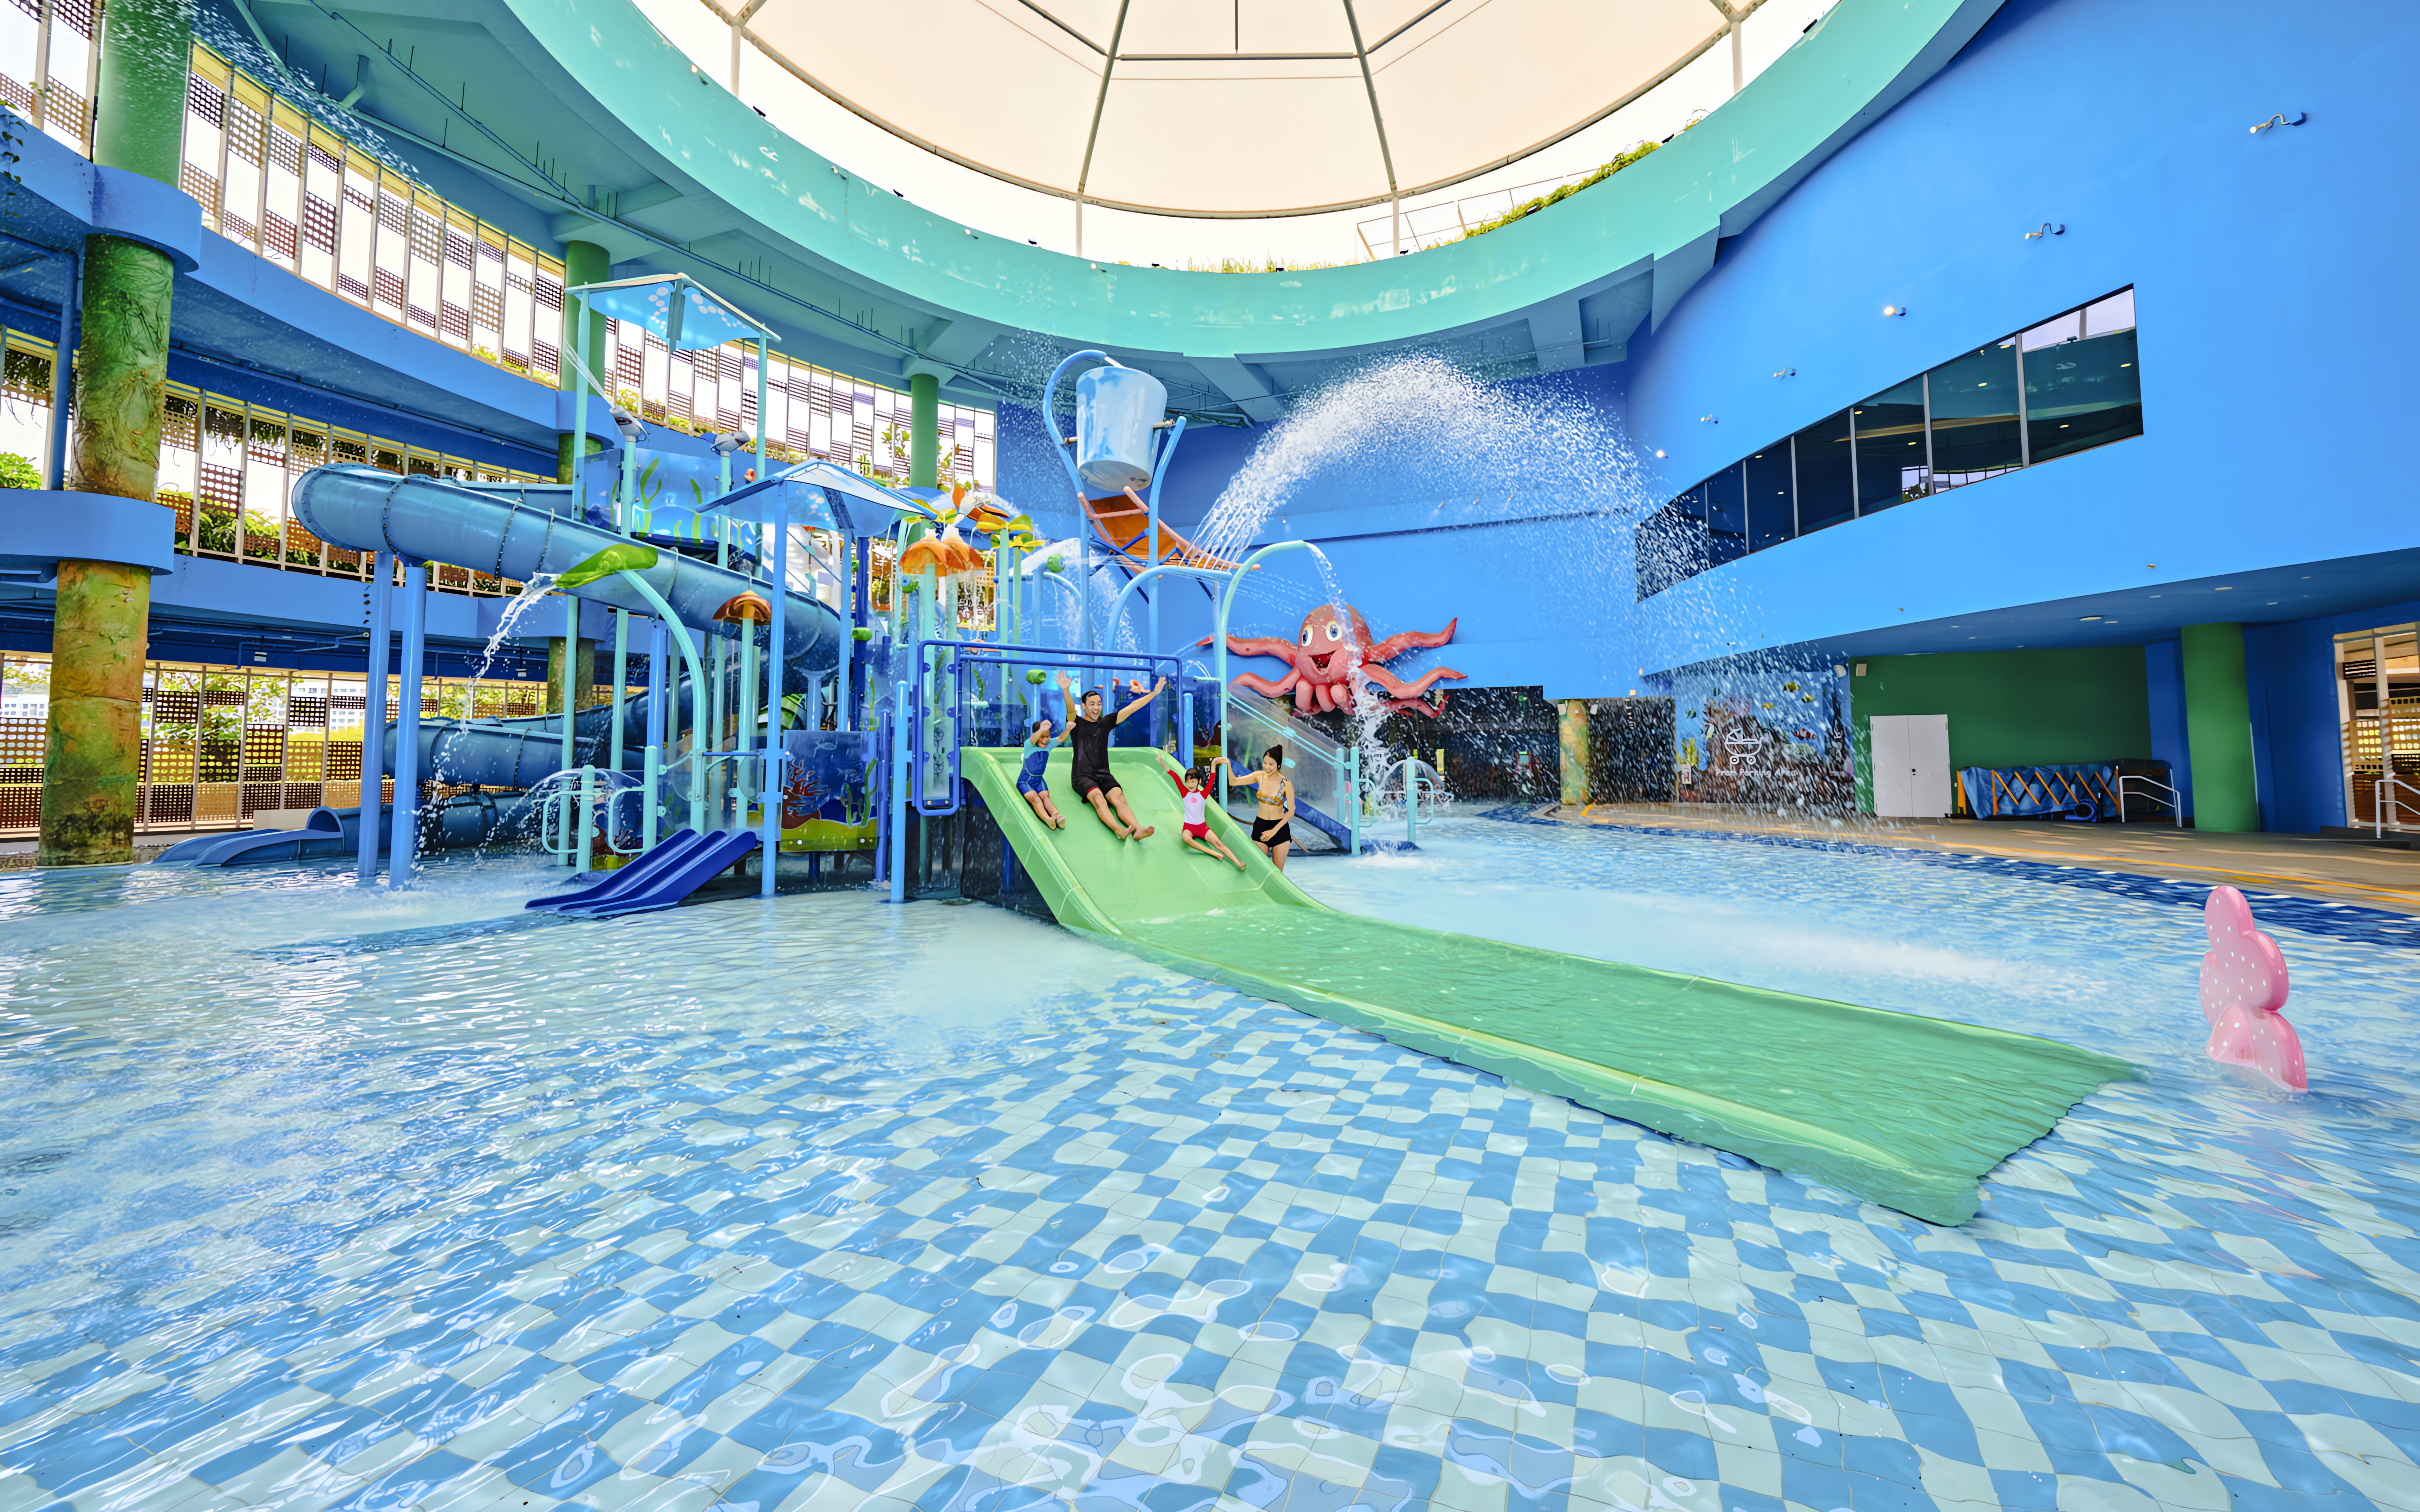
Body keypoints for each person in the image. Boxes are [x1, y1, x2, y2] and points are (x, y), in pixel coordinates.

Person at [1053, 671, 1165, 839]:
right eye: (1092, 704)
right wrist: (1066, 691)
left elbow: (1132, 708)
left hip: (1104, 774)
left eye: (1099, 704)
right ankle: (1118, 830)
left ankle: (1137, 829)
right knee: (1099, 799)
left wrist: (1154, 693)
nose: (1096, 708)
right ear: (1084, 706)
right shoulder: (1077, 723)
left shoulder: (1105, 723)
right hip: (1082, 776)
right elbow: (1070, 708)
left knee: (1118, 797)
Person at [1229, 743, 1295, 870]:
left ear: (1279, 766)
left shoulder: (1286, 784)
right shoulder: (1259, 776)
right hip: (1261, 826)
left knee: (1277, 873)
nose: (1267, 767)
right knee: (1261, 869)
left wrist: (1273, 831)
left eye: (1271, 764)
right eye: (1265, 763)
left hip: (1280, 830)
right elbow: (1234, 782)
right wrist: (1227, 763)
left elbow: (1291, 812)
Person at [1171, 760, 1247, 871]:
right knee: (1186, 838)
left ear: (1199, 782)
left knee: (1219, 843)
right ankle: (1212, 853)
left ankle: (1237, 863)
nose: (1190, 785)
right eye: (1188, 782)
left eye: (1193, 782)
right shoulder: (1185, 793)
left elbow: (1212, 780)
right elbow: (1176, 778)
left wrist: (1213, 765)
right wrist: (1162, 763)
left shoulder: (1203, 794)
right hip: (1189, 827)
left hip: (1202, 828)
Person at [1016, 716, 1068, 830]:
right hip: (1026, 782)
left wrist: (1068, 729)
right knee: (1036, 798)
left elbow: (1060, 739)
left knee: (1046, 797)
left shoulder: (1049, 745)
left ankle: (1057, 816)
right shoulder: (1029, 746)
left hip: (1039, 781)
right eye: (1042, 737)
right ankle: (1048, 820)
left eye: (1048, 736)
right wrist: (1041, 730)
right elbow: (1032, 739)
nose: (1045, 740)